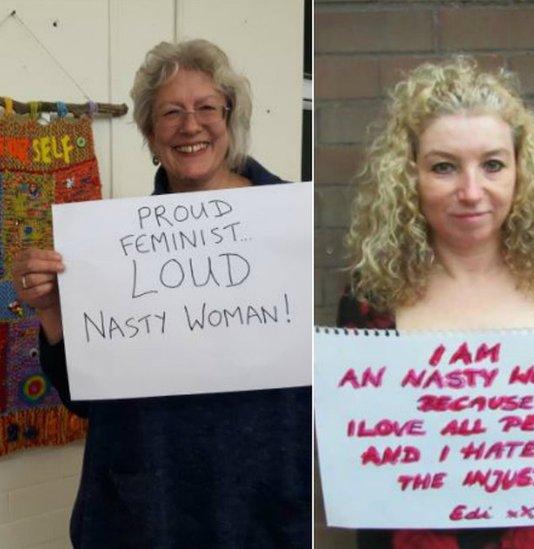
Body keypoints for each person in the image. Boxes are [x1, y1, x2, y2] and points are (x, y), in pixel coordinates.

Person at [336, 57, 534, 549]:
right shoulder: (370, 293)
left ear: (521, 171)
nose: (470, 191)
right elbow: (362, 439)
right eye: (444, 167)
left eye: (492, 164)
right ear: (408, 177)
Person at [11, 39, 311, 548]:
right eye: (170, 112)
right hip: (148, 510)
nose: (190, 126)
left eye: (206, 108)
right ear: (150, 133)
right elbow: (82, 401)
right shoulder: (108, 248)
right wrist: (53, 313)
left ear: (230, 119)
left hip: (265, 505)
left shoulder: (295, 225)